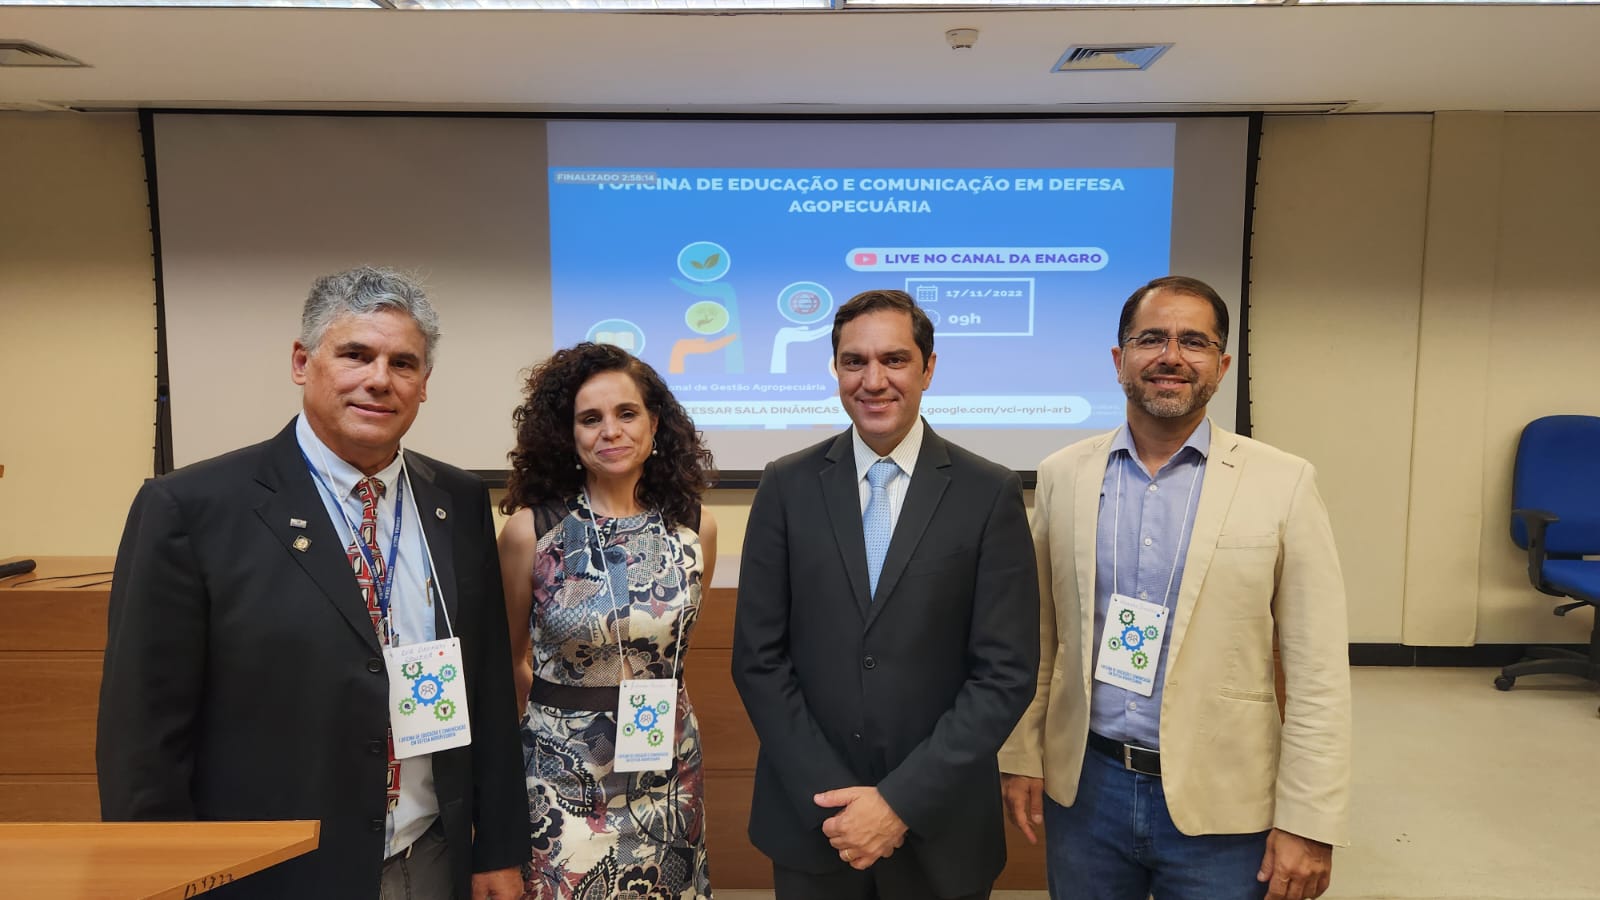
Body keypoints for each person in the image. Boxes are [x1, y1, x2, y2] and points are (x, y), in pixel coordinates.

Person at [97, 266, 529, 899]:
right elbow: (143, 730)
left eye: (403, 363)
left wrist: (497, 849)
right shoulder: (190, 509)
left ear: (424, 384)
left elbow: (486, 685)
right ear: (303, 362)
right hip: (272, 872)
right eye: (356, 354)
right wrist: (159, 875)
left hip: (429, 857)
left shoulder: (457, 501)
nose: (379, 379)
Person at [998, 275, 1352, 900]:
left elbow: (1317, 670)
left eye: (1194, 341)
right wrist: (1022, 753)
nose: (1171, 356)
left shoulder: (1284, 483)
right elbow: (1040, 637)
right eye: (1150, 339)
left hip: (1224, 803)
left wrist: (1309, 819)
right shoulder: (1063, 475)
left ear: (1222, 365)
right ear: (1119, 359)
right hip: (1088, 791)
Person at [732, 289, 1039, 900]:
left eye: (894, 360)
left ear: (928, 368)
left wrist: (898, 803)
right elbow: (759, 660)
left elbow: (1005, 673)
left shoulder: (988, 492)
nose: (873, 381)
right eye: (855, 362)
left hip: (941, 828)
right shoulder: (786, 485)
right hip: (815, 824)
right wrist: (840, 806)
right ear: (836, 369)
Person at [497, 342, 719, 900]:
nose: (610, 431)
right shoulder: (531, 532)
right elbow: (509, 658)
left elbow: (676, 649)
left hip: (667, 769)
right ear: (568, 434)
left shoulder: (695, 528)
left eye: (626, 413)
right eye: (590, 419)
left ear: (654, 423)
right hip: (561, 776)